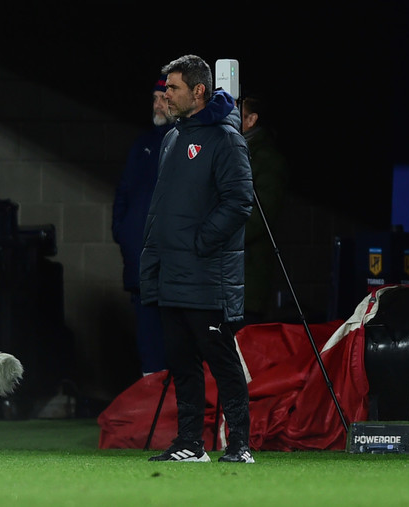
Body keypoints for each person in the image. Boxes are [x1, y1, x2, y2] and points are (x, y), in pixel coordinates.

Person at [140, 55, 255, 463]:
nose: (165, 94)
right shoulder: (173, 138)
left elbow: (240, 202)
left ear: (199, 91)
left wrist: (200, 243)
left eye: (173, 87)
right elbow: (160, 210)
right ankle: (190, 443)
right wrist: (154, 260)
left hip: (207, 278)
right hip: (172, 275)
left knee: (223, 365)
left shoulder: (226, 139)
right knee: (182, 365)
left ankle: (240, 446)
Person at [112, 74, 175, 376]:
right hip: (140, 263)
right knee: (147, 341)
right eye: (155, 97)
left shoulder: (189, 141)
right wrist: (123, 233)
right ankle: (150, 409)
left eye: (164, 96)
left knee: (174, 339)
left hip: (173, 266)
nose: (158, 103)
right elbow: (124, 193)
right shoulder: (142, 144)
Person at [239, 92, 289, 324]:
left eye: (237, 113)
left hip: (247, 277)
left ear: (252, 119)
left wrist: (219, 236)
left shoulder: (267, 158)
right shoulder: (231, 150)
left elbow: (261, 217)